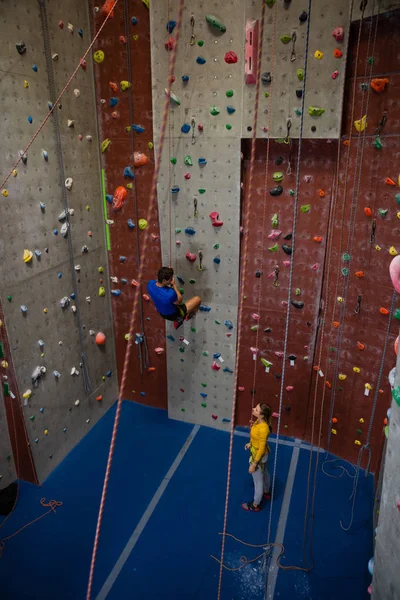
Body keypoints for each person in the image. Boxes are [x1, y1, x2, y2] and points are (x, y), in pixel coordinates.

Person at [242, 403, 272, 512]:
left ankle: (255, 505)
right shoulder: (259, 422)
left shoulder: (263, 429)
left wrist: (254, 464)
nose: (253, 409)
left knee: (258, 481)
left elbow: (261, 448)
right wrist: (251, 444)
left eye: (256, 409)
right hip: (262, 455)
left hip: (258, 457)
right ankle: (267, 491)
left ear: (262, 415)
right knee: (265, 473)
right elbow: (257, 439)